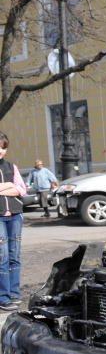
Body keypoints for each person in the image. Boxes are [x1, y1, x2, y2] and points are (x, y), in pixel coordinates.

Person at [0, 131, 26, 311]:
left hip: (15, 215)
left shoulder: (12, 167)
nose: (0, 151)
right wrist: (10, 185)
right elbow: (15, 187)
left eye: (3, 148)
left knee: (14, 256)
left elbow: (21, 190)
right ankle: (3, 297)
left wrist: (9, 187)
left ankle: (14, 294)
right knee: (2, 256)